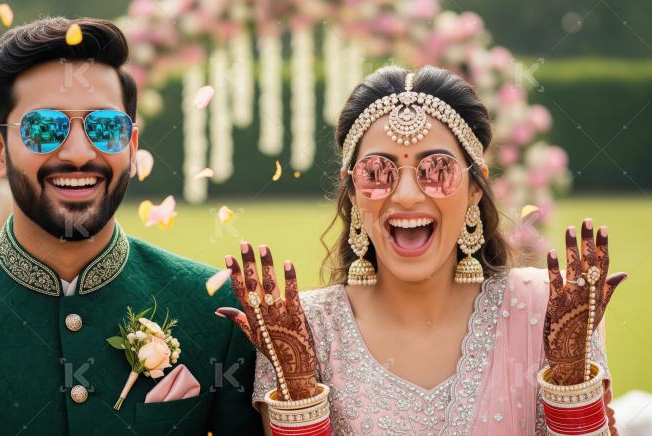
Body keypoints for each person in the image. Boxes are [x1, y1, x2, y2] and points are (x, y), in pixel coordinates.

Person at [0, 17, 260, 435]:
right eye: (44, 128)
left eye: (104, 128)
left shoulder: (217, 310)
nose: (80, 153)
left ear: (132, 148)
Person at [217, 66, 626, 435]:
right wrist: (300, 393)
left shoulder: (548, 308)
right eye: (377, 172)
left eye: (438, 170)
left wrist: (571, 379)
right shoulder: (303, 330)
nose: (408, 195)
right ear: (353, 191)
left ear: (474, 188)